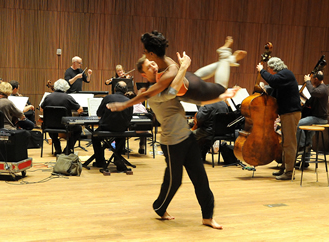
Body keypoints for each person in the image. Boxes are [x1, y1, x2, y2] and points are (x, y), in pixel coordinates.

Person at [124, 49, 223, 229]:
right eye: (149, 66)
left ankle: (207, 216)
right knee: (174, 181)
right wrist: (182, 67)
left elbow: (185, 88)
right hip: (171, 142)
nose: (154, 66)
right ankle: (159, 207)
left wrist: (181, 70)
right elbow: (171, 93)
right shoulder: (150, 92)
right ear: (143, 73)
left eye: (153, 62)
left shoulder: (166, 78)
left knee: (201, 178)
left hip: (187, 137)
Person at [107, 31, 245, 112]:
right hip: (192, 79)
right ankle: (228, 58)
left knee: (222, 87)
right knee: (198, 74)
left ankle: (225, 55)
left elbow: (148, 95)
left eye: (145, 51)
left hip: (203, 91)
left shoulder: (170, 73)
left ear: (152, 54)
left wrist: (124, 105)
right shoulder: (165, 60)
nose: (144, 54)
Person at [256, 57, 302, 180]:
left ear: (272, 68)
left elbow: (273, 80)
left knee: (289, 143)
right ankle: (284, 168)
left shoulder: (286, 74)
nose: (268, 71)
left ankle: (289, 171)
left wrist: (261, 71)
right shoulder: (283, 76)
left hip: (291, 113)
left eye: (268, 69)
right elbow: (275, 90)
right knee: (285, 142)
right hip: (286, 112)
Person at [91, 81, 133, 170]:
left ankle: (100, 161)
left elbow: (99, 113)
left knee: (94, 137)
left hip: (106, 128)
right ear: (126, 91)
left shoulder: (107, 98)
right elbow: (129, 118)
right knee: (120, 137)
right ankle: (117, 158)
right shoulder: (129, 101)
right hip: (122, 129)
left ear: (114, 89)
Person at [295, 71, 329, 168]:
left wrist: (307, 82)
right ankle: (305, 161)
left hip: (319, 118)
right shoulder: (319, 88)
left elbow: (313, 92)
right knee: (308, 137)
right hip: (316, 117)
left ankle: (301, 146)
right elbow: (310, 100)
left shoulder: (323, 89)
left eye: (311, 80)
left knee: (298, 124)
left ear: (316, 79)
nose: (311, 81)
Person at [40, 79, 83, 155]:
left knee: (52, 129)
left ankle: (57, 149)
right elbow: (80, 110)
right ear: (66, 88)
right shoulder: (68, 97)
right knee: (78, 129)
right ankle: (68, 149)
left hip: (49, 126)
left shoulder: (48, 97)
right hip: (65, 126)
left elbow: (41, 109)